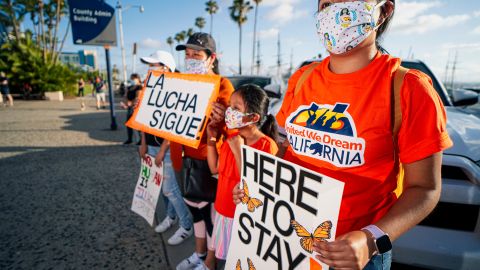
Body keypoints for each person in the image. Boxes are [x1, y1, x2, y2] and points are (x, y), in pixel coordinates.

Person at [233, 1, 453, 269]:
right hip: (290, 240)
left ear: (383, 10)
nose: (337, 11)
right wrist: (257, 187)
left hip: (353, 256)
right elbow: (284, 152)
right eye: (327, 3)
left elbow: (425, 189)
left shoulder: (409, 88)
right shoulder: (302, 78)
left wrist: (371, 239)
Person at [175, 32, 235, 270]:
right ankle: (199, 253)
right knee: (194, 212)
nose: (190, 59)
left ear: (212, 58)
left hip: (208, 162)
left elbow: (231, 129)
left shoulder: (223, 85)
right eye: (187, 54)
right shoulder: (180, 82)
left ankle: (210, 263)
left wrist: (221, 121)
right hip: (183, 158)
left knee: (213, 219)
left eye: (196, 54)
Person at [206, 84, 278, 270]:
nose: (229, 111)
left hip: (244, 221)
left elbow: (255, 187)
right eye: (230, 106)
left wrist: (239, 151)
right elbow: (214, 167)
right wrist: (211, 140)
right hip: (222, 213)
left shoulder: (266, 145)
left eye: (236, 108)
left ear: (253, 117)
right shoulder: (232, 138)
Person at [139, 50, 194, 246]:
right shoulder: (149, 89)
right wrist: (143, 143)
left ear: (166, 68)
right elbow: (143, 120)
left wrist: (163, 149)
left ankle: (187, 226)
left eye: (154, 65)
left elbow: (175, 126)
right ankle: (171, 217)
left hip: (167, 149)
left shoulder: (176, 91)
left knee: (170, 189)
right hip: (151, 147)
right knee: (161, 189)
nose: (150, 68)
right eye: (149, 65)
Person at [122, 73, 142, 144]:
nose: (132, 80)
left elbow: (138, 97)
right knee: (128, 123)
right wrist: (126, 103)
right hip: (130, 108)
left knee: (137, 124)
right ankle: (129, 139)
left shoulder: (139, 87)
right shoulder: (130, 87)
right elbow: (125, 96)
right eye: (131, 79)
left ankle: (141, 140)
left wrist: (131, 102)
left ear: (138, 79)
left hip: (136, 108)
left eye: (133, 78)